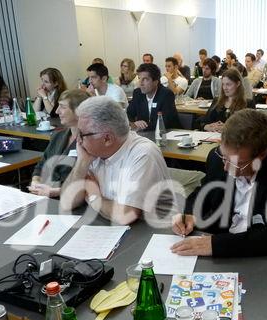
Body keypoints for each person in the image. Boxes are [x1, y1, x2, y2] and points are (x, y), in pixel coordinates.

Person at [171, 109, 267, 257]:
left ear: (262, 154)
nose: (227, 168)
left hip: (264, 256)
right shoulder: (217, 158)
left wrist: (215, 245)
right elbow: (203, 192)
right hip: (220, 246)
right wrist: (190, 214)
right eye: (225, 157)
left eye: (238, 164)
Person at [60, 96, 174, 225]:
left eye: (82, 134)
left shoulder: (143, 153)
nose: (78, 141)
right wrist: (82, 163)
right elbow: (67, 202)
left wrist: (93, 196)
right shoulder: (92, 152)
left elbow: (126, 215)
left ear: (107, 138)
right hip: (109, 226)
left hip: (155, 232)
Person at [29, 89, 90, 197]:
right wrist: (36, 182)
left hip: (73, 199)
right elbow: (41, 166)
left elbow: (89, 182)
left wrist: (55, 191)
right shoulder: (58, 136)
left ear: (78, 111)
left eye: (62, 107)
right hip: (46, 194)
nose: (57, 111)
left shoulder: (92, 142)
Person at [197, 68, 253, 132]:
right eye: (223, 84)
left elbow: (250, 128)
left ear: (238, 84)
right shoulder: (217, 101)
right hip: (213, 138)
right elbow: (203, 121)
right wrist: (207, 127)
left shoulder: (248, 104)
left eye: (228, 84)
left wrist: (228, 128)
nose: (225, 88)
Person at [127, 63, 180, 131]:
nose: (141, 83)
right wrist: (134, 123)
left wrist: (139, 126)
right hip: (144, 135)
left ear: (156, 82)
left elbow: (164, 122)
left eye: (145, 79)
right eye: (139, 78)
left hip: (166, 134)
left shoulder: (166, 94)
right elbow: (128, 114)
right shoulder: (137, 93)